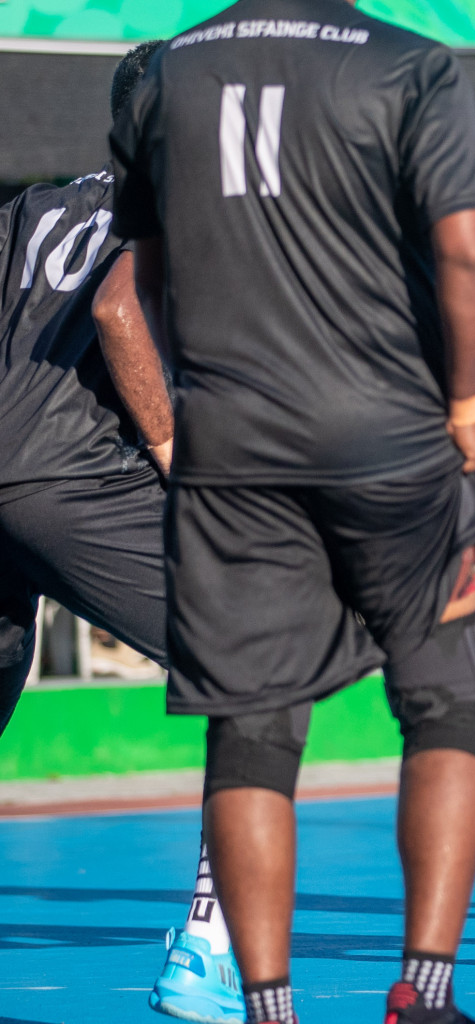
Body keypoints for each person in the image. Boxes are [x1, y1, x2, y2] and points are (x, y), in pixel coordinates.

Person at [110, 1, 475, 1021]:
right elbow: (468, 254)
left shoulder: (161, 72)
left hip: (230, 452)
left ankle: (267, 1005)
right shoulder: (409, 65)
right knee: (447, 698)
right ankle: (423, 992)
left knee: (250, 733)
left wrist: (208, 408)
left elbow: (139, 285)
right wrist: (468, 406)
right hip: (390, 440)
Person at [0, 40, 248, 1024]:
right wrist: (176, 450)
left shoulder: (37, 205)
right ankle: (209, 943)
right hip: (64, 477)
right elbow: (118, 306)